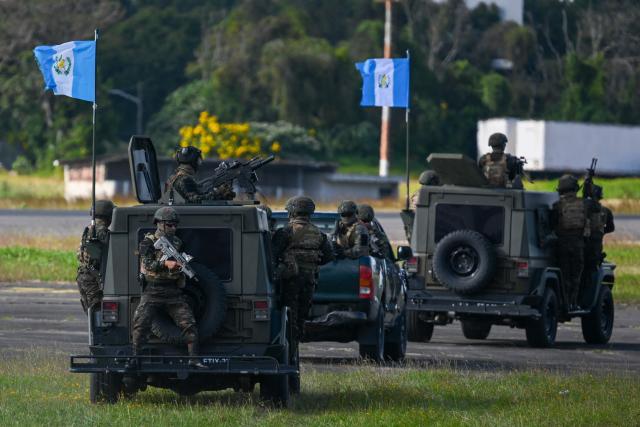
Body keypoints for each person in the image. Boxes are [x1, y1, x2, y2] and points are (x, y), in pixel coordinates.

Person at [130, 207, 204, 368]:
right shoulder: (148, 242)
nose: (173, 228)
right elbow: (148, 263)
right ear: (160, 224)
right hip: (153, 290)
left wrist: (179, 267)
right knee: (140, 324)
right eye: (170, 225)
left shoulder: (177, 242)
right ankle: (135, 359)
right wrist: (165, 263)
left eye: (175, 225)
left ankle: (194, 358)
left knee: (189, 323)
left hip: (172, 291)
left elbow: (176, 264)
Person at [271, 196, 334, 343]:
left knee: (289, 314)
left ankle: (290, 346)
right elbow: (329, 256)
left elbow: (272, 255)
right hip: (310, 279)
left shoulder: (286, 232)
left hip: (290, 279)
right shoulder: (320, 234)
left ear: (292, 212)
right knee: (301, 316)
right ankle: (296, 345)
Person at [550, 175, 590, 309]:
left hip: (562, 245)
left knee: (564, 275)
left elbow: (552, 225)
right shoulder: (584, 203)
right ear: (575, 189)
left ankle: (564, 303)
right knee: (576, 276)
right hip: (578, 245)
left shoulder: (557, 205)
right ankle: (573, 303)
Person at [76, 200, 114, 313]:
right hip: (92, 278)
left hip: (82, 275)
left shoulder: (89, 230)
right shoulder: (102, 232)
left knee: (91, 312)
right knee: (97, 312)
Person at [165, 146, 235, 203]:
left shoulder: (173, 178)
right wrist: (217, 192)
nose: (199, 164)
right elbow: (196, 200)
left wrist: (220, 195)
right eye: (198, 161)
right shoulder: (185, 180)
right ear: (193, 162)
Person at [583, 184, 615, 289]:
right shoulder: (606, 211)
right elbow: (611, 228)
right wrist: (600, 232)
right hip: (595, 248)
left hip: (583, 246)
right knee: (591, 273)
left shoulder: (582, 208)